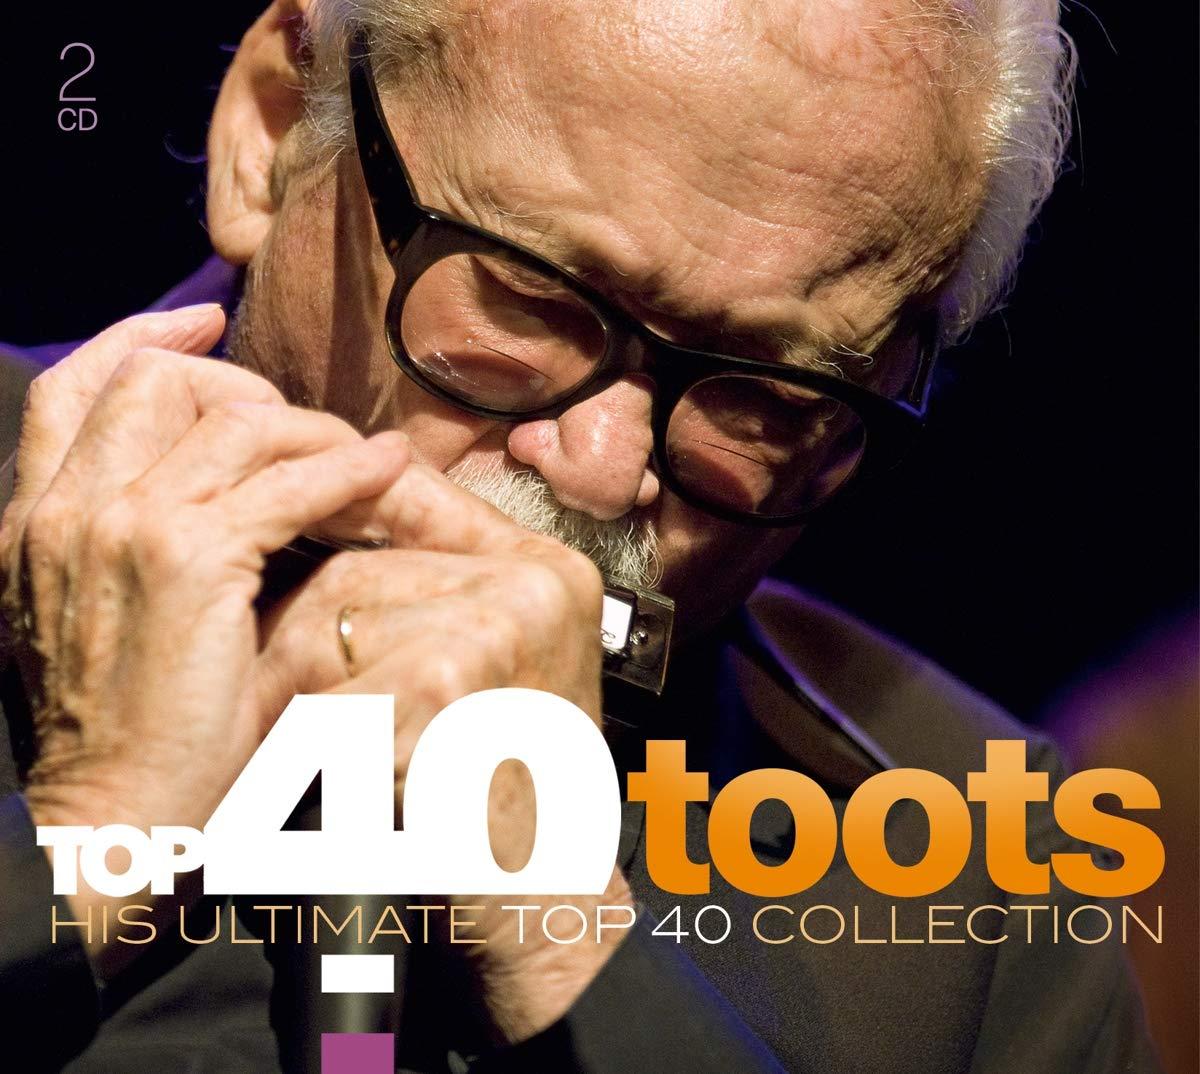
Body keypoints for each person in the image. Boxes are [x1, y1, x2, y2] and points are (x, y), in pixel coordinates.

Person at [0, 0, 1162, 1071]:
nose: (604, 469)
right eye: (530, 296)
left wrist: (570, 940)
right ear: (272, 130)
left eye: (766, 395)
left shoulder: (972, 882)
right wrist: (89, 845)